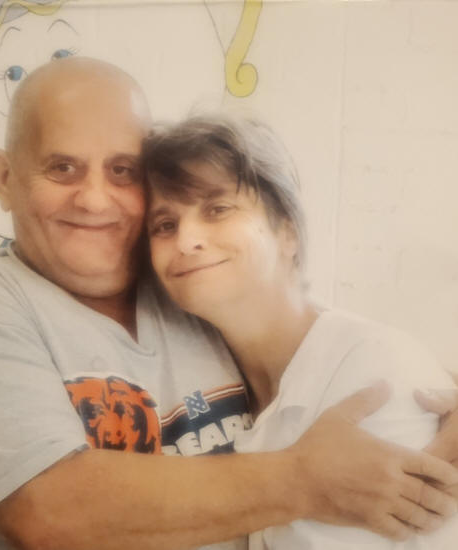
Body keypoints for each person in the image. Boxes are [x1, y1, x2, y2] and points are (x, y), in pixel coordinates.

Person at [0, 57, 458, 550]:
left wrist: (426, 388)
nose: (94, 199)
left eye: (122, 171)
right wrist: (306, 480)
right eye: (62, 167)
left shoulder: (183, 293)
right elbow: (51, 512)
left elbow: (315, 342)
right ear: (5, 179)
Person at [143, 113, 458, 549]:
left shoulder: (377, 373)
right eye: (165, 225)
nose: (185, 240)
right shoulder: (205, 381)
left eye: (218, 209)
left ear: (287, 232)